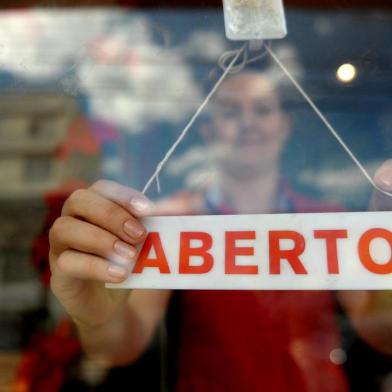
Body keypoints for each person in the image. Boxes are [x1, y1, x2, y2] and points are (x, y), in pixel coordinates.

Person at [49, 67, 392, 391]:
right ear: (208, 130)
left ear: (284, 124)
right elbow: (123, 345)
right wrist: (94, 317)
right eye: (230, 112)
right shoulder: (173, 222)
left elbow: (381, 333)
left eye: (262, 110)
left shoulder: (327, 217)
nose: (247, 123)